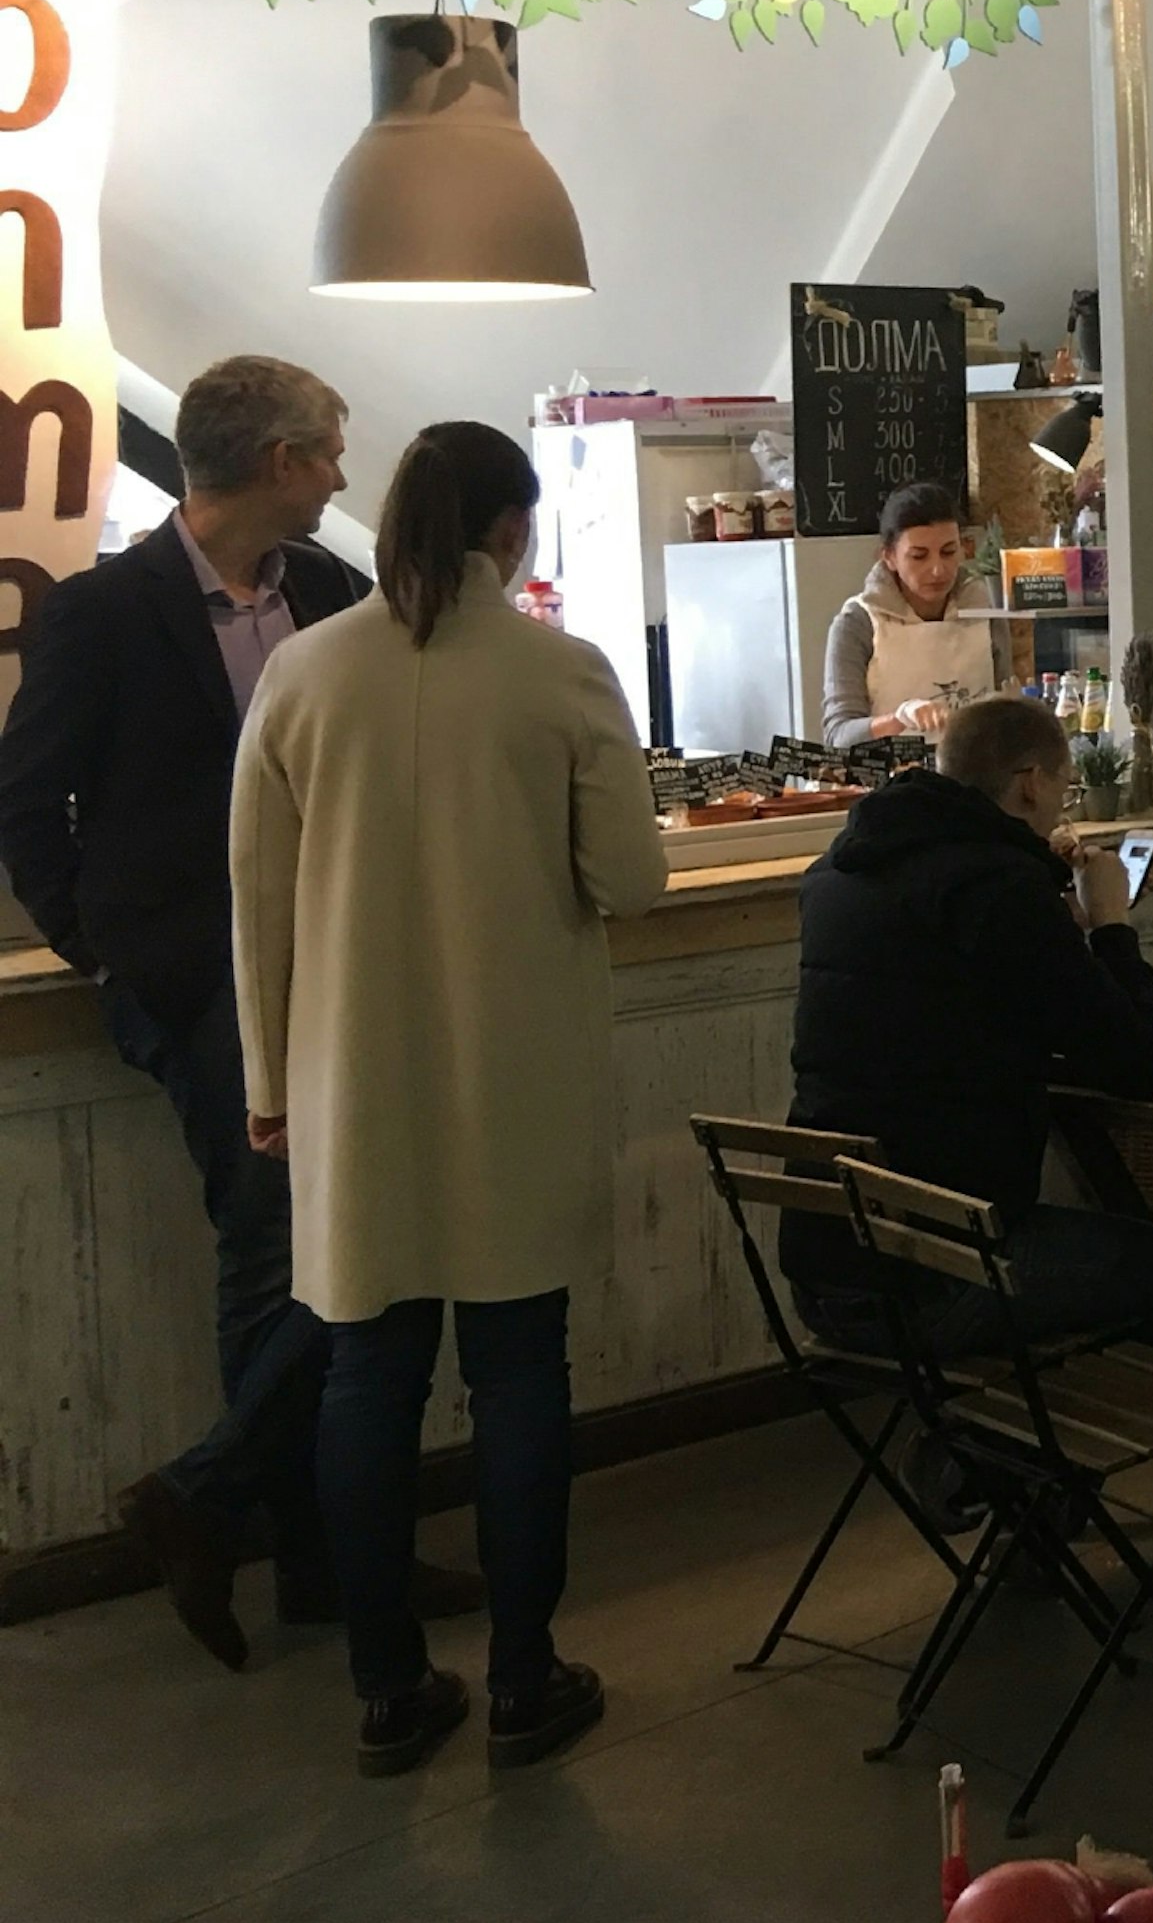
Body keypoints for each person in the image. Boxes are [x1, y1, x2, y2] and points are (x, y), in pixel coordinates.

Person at [231, 423, 668, 1778]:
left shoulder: (304, 673)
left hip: (349, 1081)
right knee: (520, 1370)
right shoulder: (561, 672)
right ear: (511, 532)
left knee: (368, 1376)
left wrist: (264, 1080)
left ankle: (388, 1695)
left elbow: (254, 898)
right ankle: (528, 1682)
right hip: (515, 1077)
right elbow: (633, 879)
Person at [0, 356, 437, 1672]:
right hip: (196, 979)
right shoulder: (105, 613)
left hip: (335, 963)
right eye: (332, 452)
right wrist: (109, 960)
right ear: (280, 462)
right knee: (273, 1252)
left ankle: (249, 1518)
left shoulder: (333, 593)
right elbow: (27, 803)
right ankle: (282, 1538)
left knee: (340, 1244)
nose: (347, 478)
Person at [780, 695, 1153, 1366]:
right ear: (1030, 782)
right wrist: (1112, 923)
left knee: (1148, 1265)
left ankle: (993, 1449)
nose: (1062, 805)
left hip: (825, 1260)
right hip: (940, 1274)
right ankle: (1030, 1460)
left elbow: (943, 1014)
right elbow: (1136, 1066)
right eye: (1064, 787)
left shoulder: (836, 874)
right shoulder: (998, 887)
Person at [820, 478, 1005, 744]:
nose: (937, 569)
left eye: (948, 552)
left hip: (974, 776)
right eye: (919, 556)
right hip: (891, 779)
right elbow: (838, 735)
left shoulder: (985, 612)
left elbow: (1007, 708)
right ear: (889, 557)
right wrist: (900, 718)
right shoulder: (858, 622)